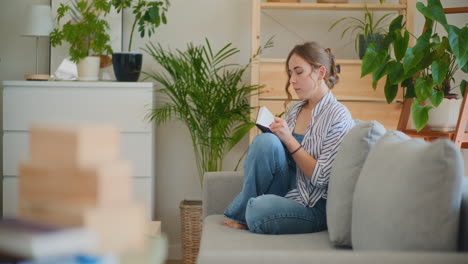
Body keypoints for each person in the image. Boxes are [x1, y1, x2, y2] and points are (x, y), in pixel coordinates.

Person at [222, 42, 354, 234]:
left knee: (259, 209)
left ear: (320, 72)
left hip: (312, 204)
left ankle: (252, 211)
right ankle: (242, 214)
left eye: (298, 72)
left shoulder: (338, 116)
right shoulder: (295, 109)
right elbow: (278, 156)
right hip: (287, 190)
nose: (292, 80)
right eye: (290, 73)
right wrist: (276, 136)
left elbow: (322, 178)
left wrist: (290, 140)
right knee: (265, 142)